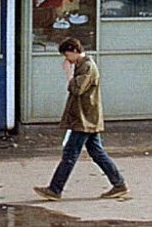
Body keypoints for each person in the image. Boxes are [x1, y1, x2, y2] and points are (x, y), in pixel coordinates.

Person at [34, 37, 128, 201]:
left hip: (85, 119)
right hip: (84, 117)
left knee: (70, 154)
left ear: (75, 51)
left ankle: (55, 189)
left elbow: (77, 89)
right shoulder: (82, 65)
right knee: (97, 152)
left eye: (67, 54)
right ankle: (119, 184)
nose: (66, 59)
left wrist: (68, 74)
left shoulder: (87, 67)